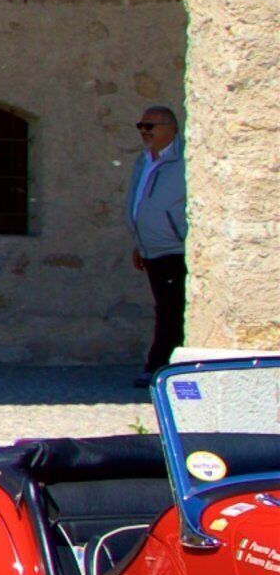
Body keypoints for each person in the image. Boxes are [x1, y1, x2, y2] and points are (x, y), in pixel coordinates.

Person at [129, 105, 189, 380]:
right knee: (165, 307)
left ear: (170, 129)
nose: (144, 131)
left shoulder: (185, 159)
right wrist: (139, 244)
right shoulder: (144, 161)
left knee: (171, 310)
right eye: (141, 126)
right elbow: (140, 204)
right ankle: (166, 366)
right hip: (152, 250)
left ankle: (158, 368)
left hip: (175, 249)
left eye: (149, 126)